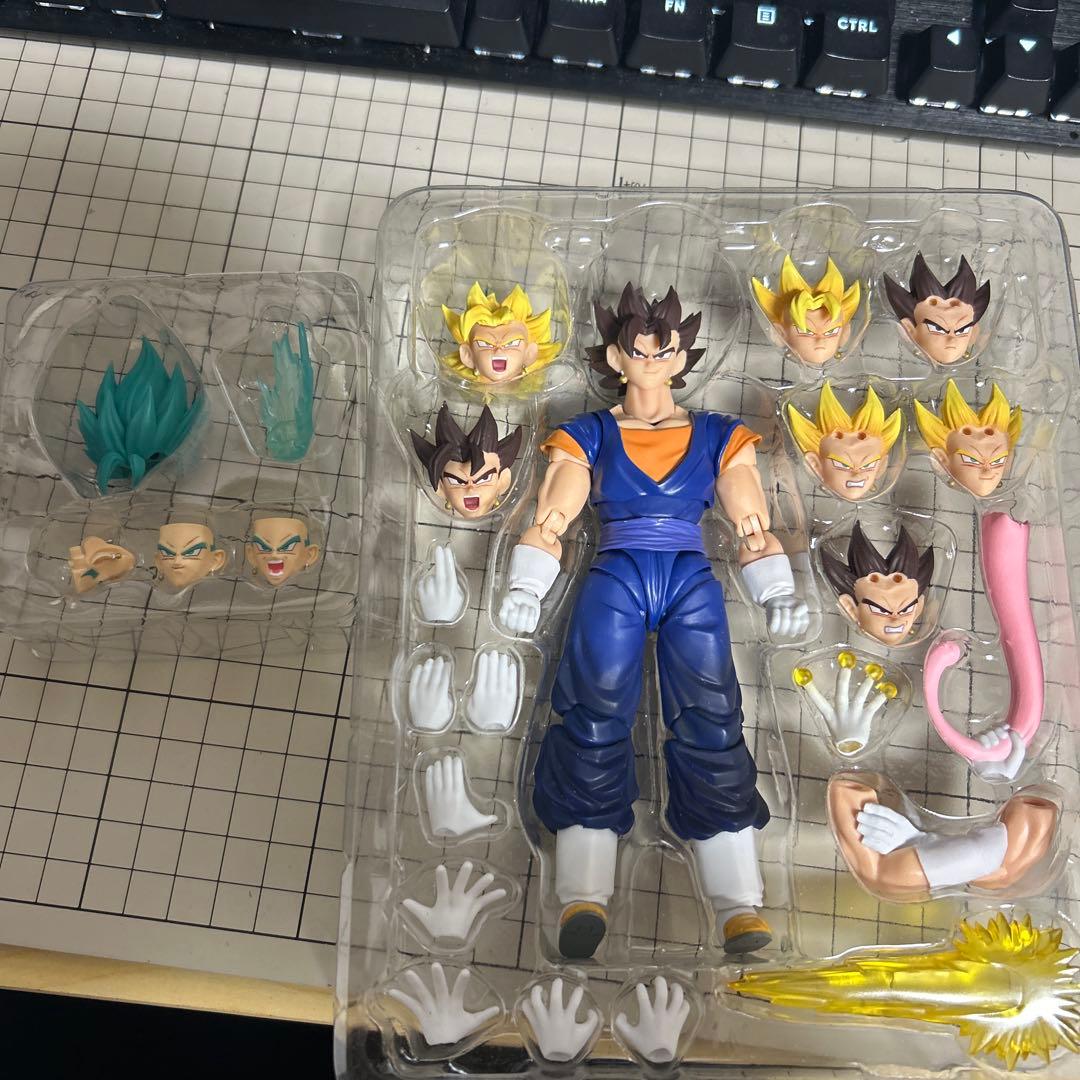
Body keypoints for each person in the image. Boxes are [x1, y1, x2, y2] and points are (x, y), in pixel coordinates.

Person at [497, 283, 809, 959]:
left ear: (680, 357)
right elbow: (551, 518)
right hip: (615, 570)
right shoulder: (587, 434)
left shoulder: (721, 435)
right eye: (636, 350)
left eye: (662, 350)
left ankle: (737, 902)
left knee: (711, 716)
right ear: (616, 357)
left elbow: (753, 527)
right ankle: (582, 892)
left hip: (689, 574)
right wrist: (527, 584)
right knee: (592, 711)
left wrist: (777, 593)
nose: (650, 360)